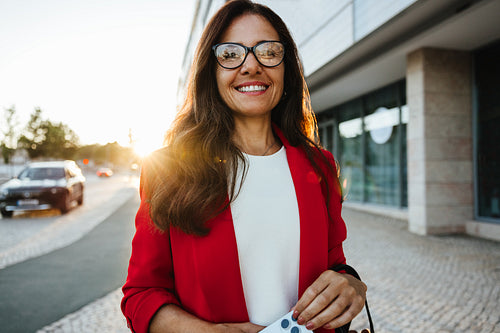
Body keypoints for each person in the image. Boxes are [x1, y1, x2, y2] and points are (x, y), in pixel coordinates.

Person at [121, 1, 367, 332]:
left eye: (268, 51)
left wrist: (351, 284)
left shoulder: (319, 166)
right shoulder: (168, 169)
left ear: (286, 67)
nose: (251, 66)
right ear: (211, 70)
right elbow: (141, 294)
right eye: (230, 54)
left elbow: (334, 264)